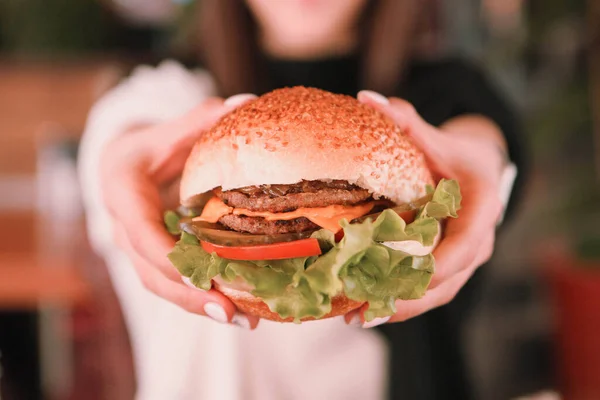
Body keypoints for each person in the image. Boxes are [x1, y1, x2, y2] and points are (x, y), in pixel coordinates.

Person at [79, 0, 524, 399]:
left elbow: (478, 137)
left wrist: (484, 159)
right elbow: (124, 131)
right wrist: (119, 158)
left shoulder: (442, 95)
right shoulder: (171, 92)